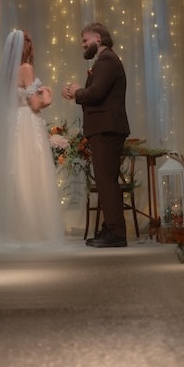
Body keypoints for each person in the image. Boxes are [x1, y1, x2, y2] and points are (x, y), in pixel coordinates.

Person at [0, 29, 64, 251]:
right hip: (28, 123)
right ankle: (32, 229)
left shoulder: (6, 73)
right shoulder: (26, 68)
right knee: (31, 173)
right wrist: (47, 96)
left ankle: (16, 227)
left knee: (18, 173)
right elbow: (35, 104)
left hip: (13, 124)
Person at [63, 22, 131, 248]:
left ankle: (116, 232)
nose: (83, 45)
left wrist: (77, 92)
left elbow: (96, 93)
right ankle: (111, 227)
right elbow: (95, 92)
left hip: (107, 128)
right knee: (105, 180)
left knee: (106, 180)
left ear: (98, 40)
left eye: (85, 41)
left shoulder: (108, 60)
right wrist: (76, 92)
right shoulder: (105, 61)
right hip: (103, 128)